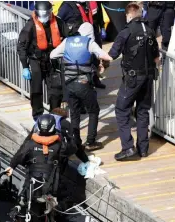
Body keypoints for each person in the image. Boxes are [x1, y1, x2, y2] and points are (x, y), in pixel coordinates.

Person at [50, 22, 113, 152]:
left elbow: (52, 55)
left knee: (74, 113)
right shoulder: (89, 42)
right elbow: (106, 56)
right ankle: (90, 142)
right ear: (90, 33)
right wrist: (104, 62)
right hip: (84, 83)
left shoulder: (67, 41)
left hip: (69, 83)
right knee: (93, 110)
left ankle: (75, 142)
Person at [108, 3, 160, 161]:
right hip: (148, 77)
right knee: (143, 111)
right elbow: (156, 58)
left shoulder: (126, 32)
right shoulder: (150, 31)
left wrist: (99, 64)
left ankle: (128, 147)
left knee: (121, 110)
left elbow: (112, 55)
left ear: (129, 15)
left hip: (132, 79)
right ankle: (143, 149)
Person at [17, 1, 67, 121]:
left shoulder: (58, 22)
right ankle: (37, 115)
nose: (44, 18)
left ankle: (55, 115)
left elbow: (68, 37)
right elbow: (21, 46)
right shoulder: (30, 26)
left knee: (56, 89)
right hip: (36, 61)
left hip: (52, 60)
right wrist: (25, 66)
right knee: (36, 90)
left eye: (47, 14)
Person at [57, 0, 107, 90]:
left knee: (94, 59)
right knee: (83, 62)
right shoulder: (66, 6)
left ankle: (95, 79)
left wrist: (102, 26)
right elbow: (58, 20)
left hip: (92, 32)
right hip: (78, 38)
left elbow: (98, 14)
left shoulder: (89, 3)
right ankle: (86, 84)